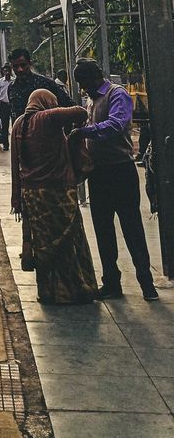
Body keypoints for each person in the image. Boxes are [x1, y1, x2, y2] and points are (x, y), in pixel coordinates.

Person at [69, 60, 159, 302]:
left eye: (85, 82)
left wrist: (85, 132)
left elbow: (117, 124)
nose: (83, 88)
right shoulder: (91, 100)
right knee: (103, 227)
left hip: (120, 170)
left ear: (96, 76)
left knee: (132, 227)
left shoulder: (116, 94)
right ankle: (111, 282)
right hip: (99, 172)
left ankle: (146, 283)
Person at [10, 89, 98, 304]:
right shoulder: (47, 117)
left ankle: (48, 291)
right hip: (57, 191)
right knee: (67, 241)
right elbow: (79, 112)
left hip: (31, 194)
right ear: (47, 103)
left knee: (43, 244)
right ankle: (73, 290)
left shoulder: (18, 124)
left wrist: (17, 197)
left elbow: (14, 165)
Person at [8, 47, 72, 121]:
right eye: (15, 66)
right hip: (22, 131)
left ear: (30, 63)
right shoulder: (12, 88)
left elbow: (68, 105)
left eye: (23, 65)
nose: (20, 69)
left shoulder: (45, 83)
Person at [0, 64, 13, 150]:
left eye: (8, 70)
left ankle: (15, 144)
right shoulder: (0, 82)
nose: (7, 72)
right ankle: (6, 144)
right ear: (3, 72)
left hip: (12, 105)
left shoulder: (14, 81)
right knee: (4, 126)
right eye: (5, 71)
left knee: (15, 124)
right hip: (3, 105)